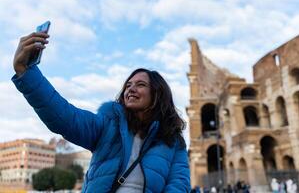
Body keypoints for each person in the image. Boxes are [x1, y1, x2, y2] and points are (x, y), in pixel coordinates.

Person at [12, 32, 191, 192]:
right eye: (128, 85)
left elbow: (179, 185)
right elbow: (65, 117)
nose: (131, 89)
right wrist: (26, 73)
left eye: (141, 85)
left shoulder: (174, 142)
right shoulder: (108, 124)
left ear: (158, 94)